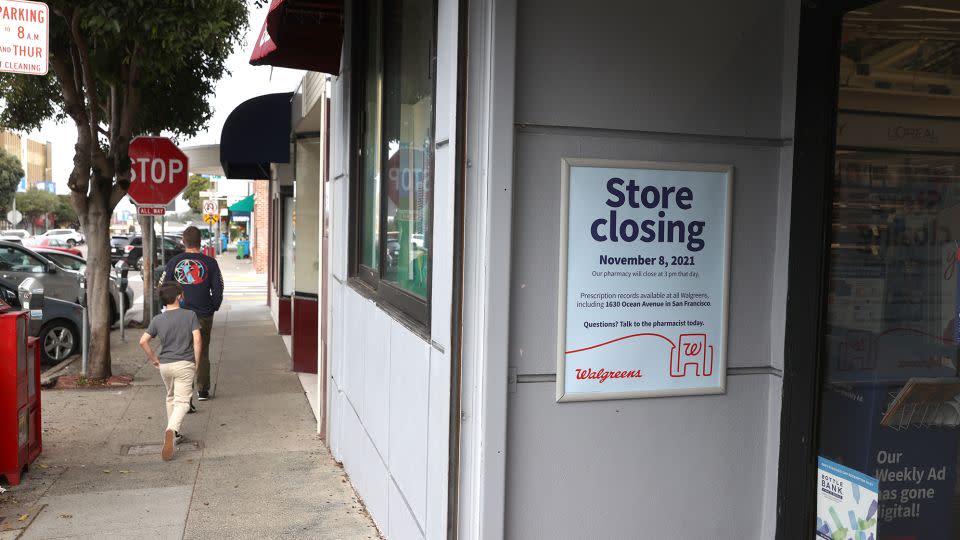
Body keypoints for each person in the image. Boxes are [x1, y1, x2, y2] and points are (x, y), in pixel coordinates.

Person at [139, 283, 201, 461]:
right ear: (180, 296)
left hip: (165, 365)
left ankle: (174, 434)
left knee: (171, 397)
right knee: (183, 402)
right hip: (184, 363)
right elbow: (197, 339)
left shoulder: (158, 319)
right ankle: (171, 430)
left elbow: (143, 341)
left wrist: (154, 360)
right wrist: (196, 361)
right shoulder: (190, 315)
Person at [163, 226, 224, 401]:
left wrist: (170, 307)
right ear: (200, 242)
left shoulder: (174, 262)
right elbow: (219, 288)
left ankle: (184, 394)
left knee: (182, 353)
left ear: (183, 241)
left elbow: (163, 288)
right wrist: (213, 306)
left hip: (179, 314)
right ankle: (203, 390)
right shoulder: (210, 263)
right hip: (203, 314)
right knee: (202, 351)